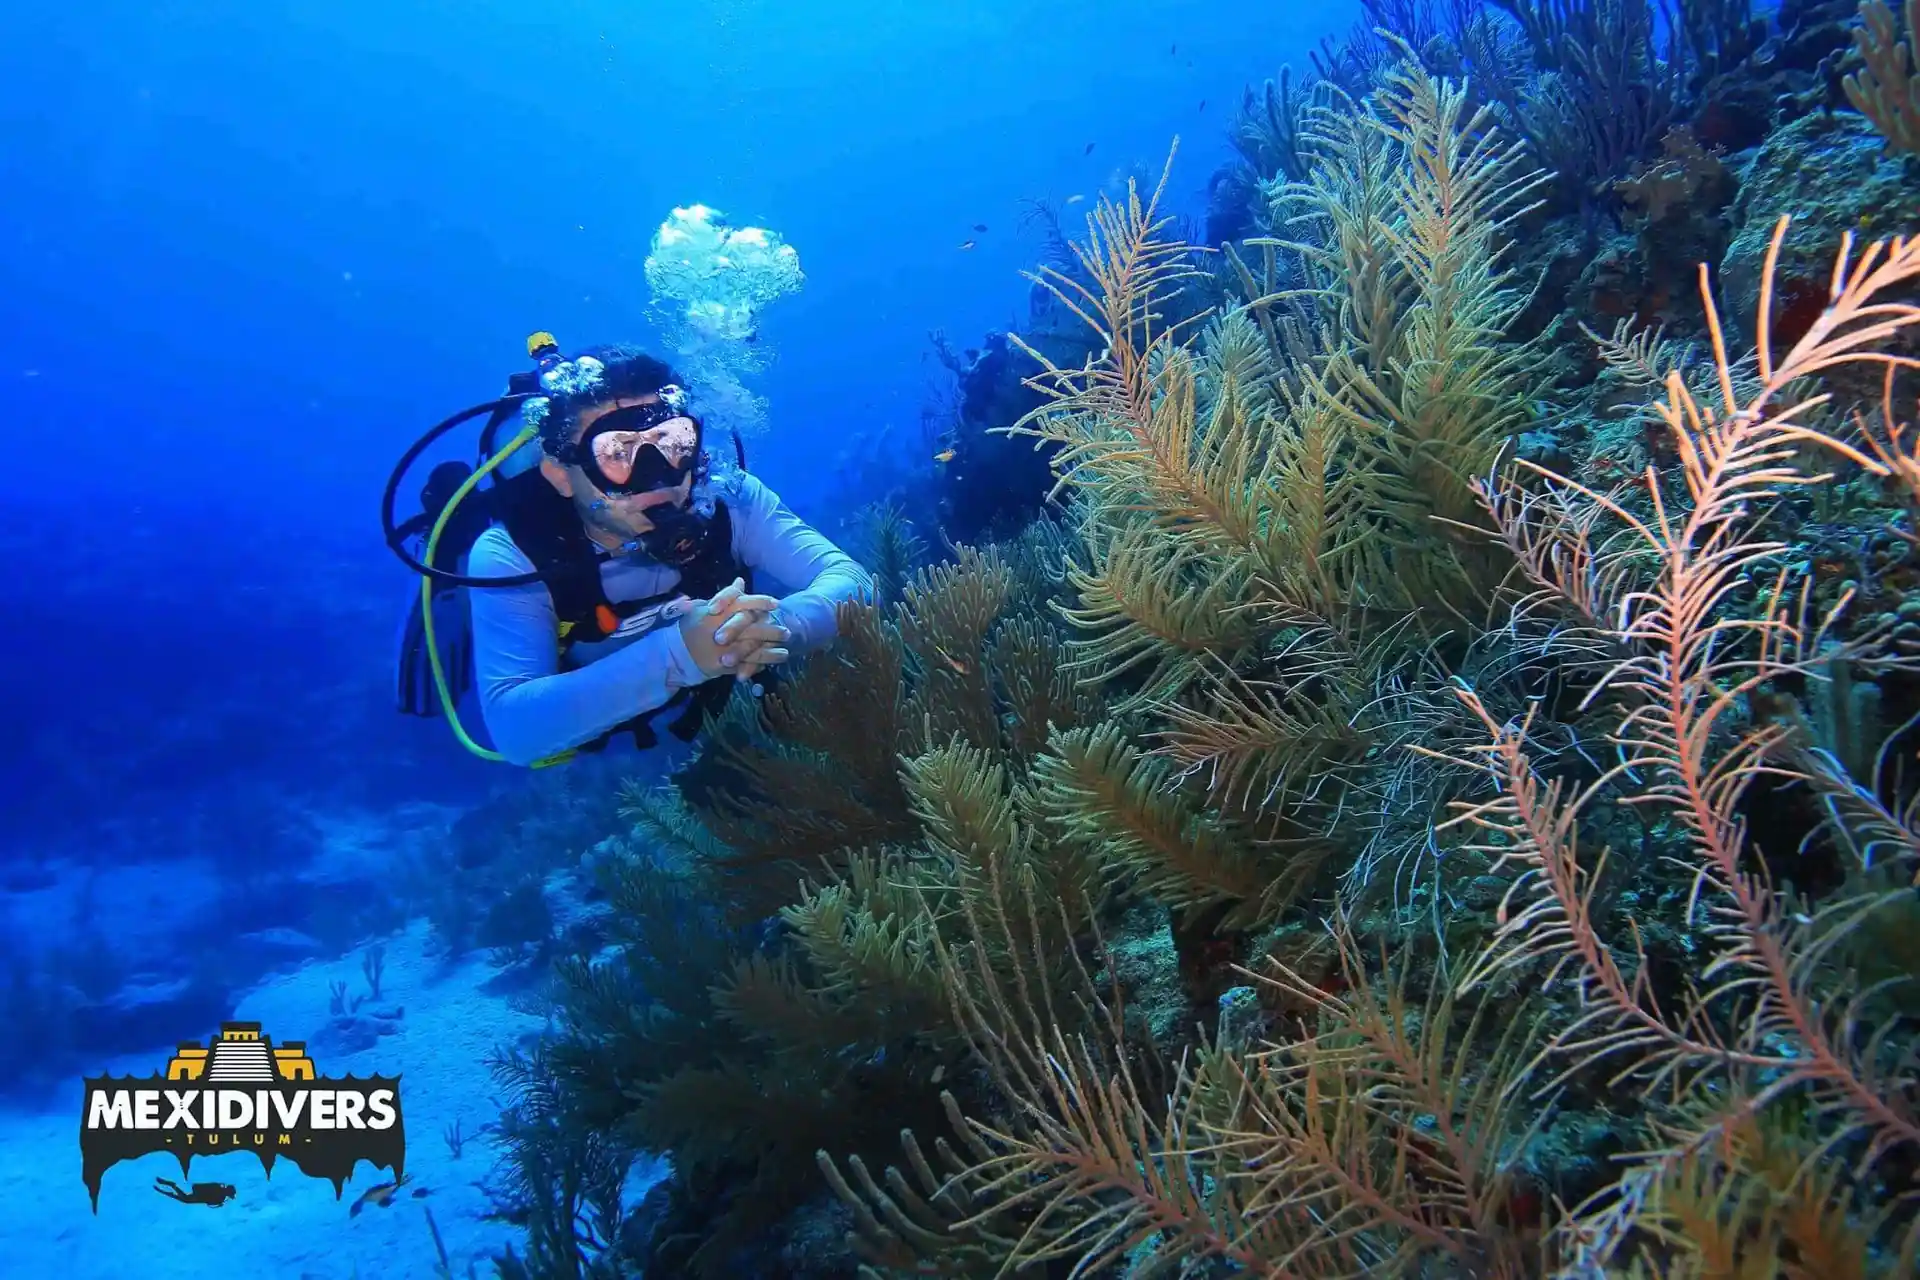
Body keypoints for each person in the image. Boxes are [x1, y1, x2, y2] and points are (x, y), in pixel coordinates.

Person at [454, 344, 873, 767]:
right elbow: (515, 730)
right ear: (561, 474)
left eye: (671, 443)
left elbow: (852, 579)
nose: (657, 477)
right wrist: (680, 654)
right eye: (617, 452)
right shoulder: (515, 552)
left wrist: (779, 626)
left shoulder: (727, 497)